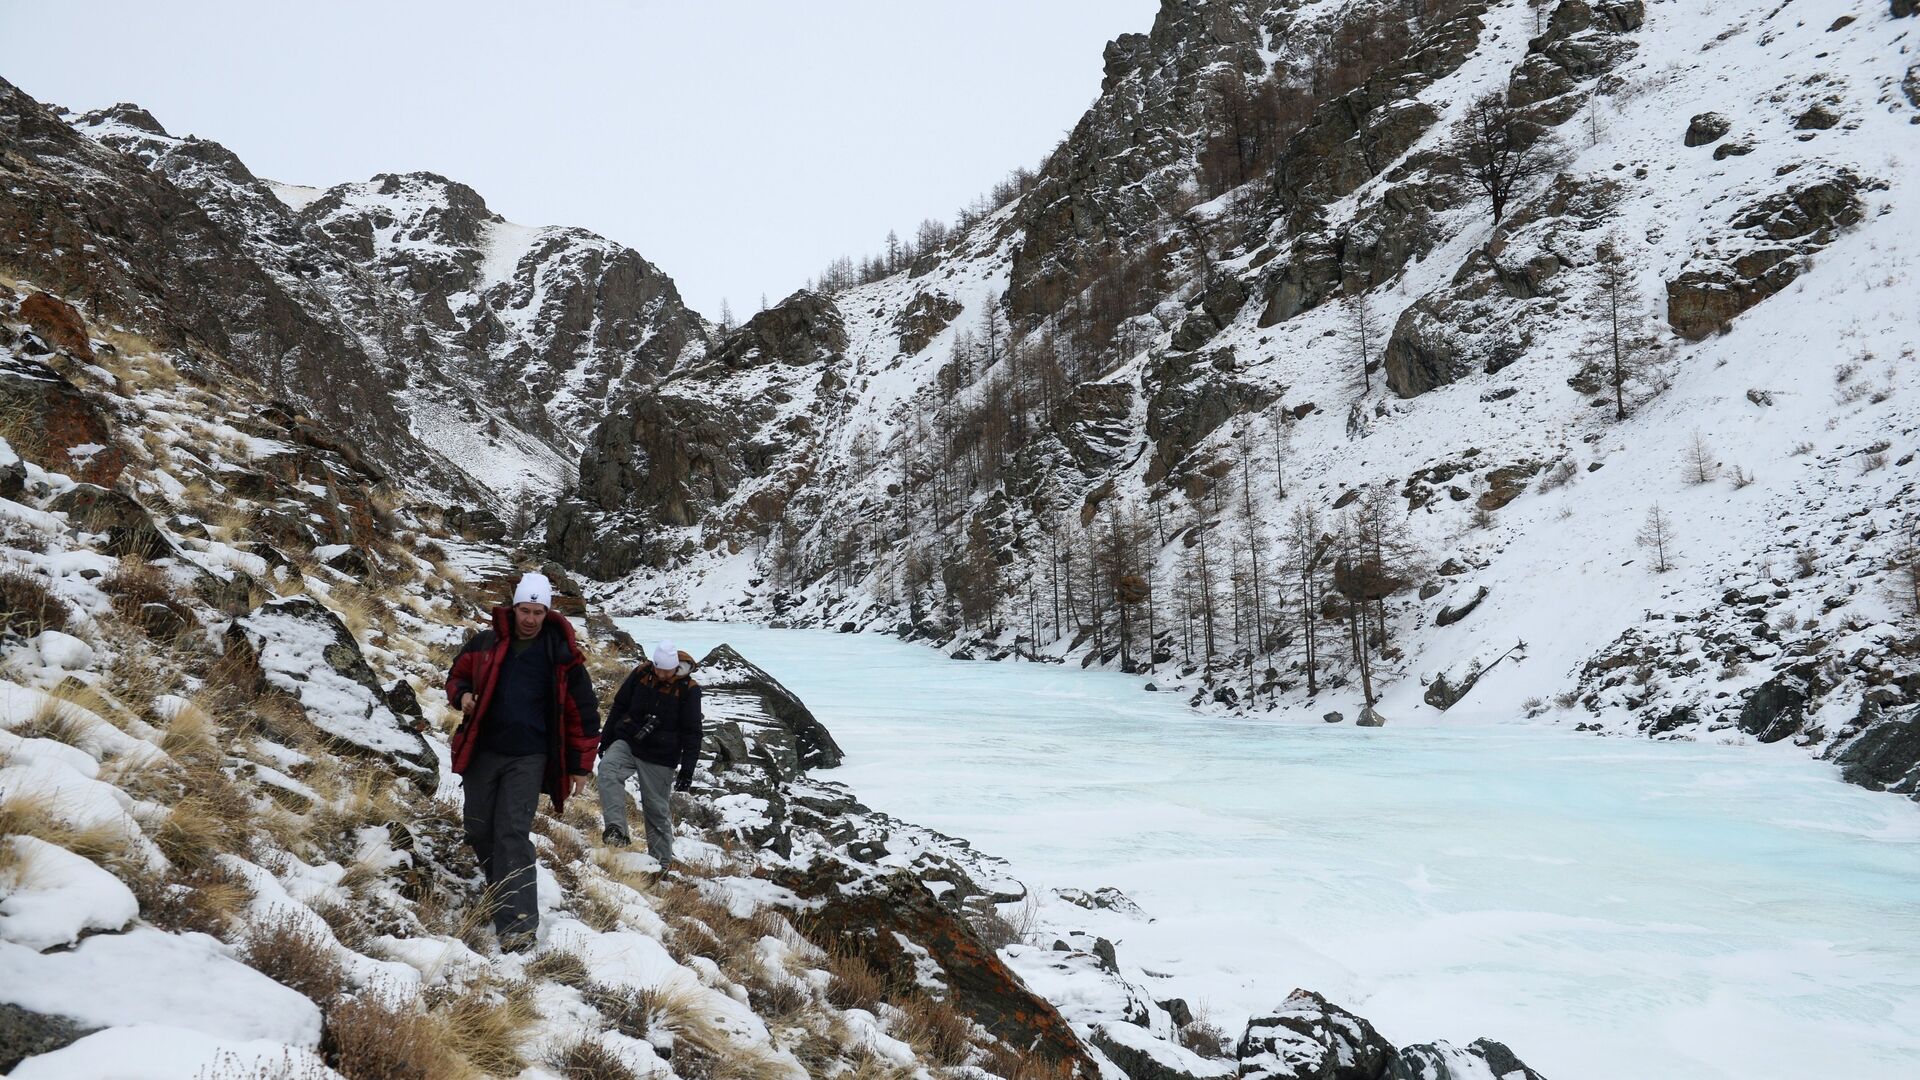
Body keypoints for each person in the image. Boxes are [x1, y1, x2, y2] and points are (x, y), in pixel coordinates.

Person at [443, 572, 599, 952]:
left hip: (530, 757)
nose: (530, 618)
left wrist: (580, 766)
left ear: (547, 612)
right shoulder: (486, 643)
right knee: (479, 827)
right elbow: (456, 676)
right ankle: (501, 888)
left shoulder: (561, 656)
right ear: (514, 608)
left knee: (512, 832)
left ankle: (518, 926)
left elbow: (583, 713)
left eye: (538, 612)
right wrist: (462, 696)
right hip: (484, 750)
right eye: (524, 610)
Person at [596, 641, 703, 868]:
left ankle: (660, 866)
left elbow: (692, 732)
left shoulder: (689, 689)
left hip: (661, 754)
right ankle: (617, 831)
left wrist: (687, 770)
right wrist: (606, 739)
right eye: (659, 669)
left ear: (675, 667)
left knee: (656, 809)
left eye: (667, 671)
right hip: (629, 740)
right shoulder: (642, 674)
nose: (662, 674)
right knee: (607, 769)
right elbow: (619, 705)